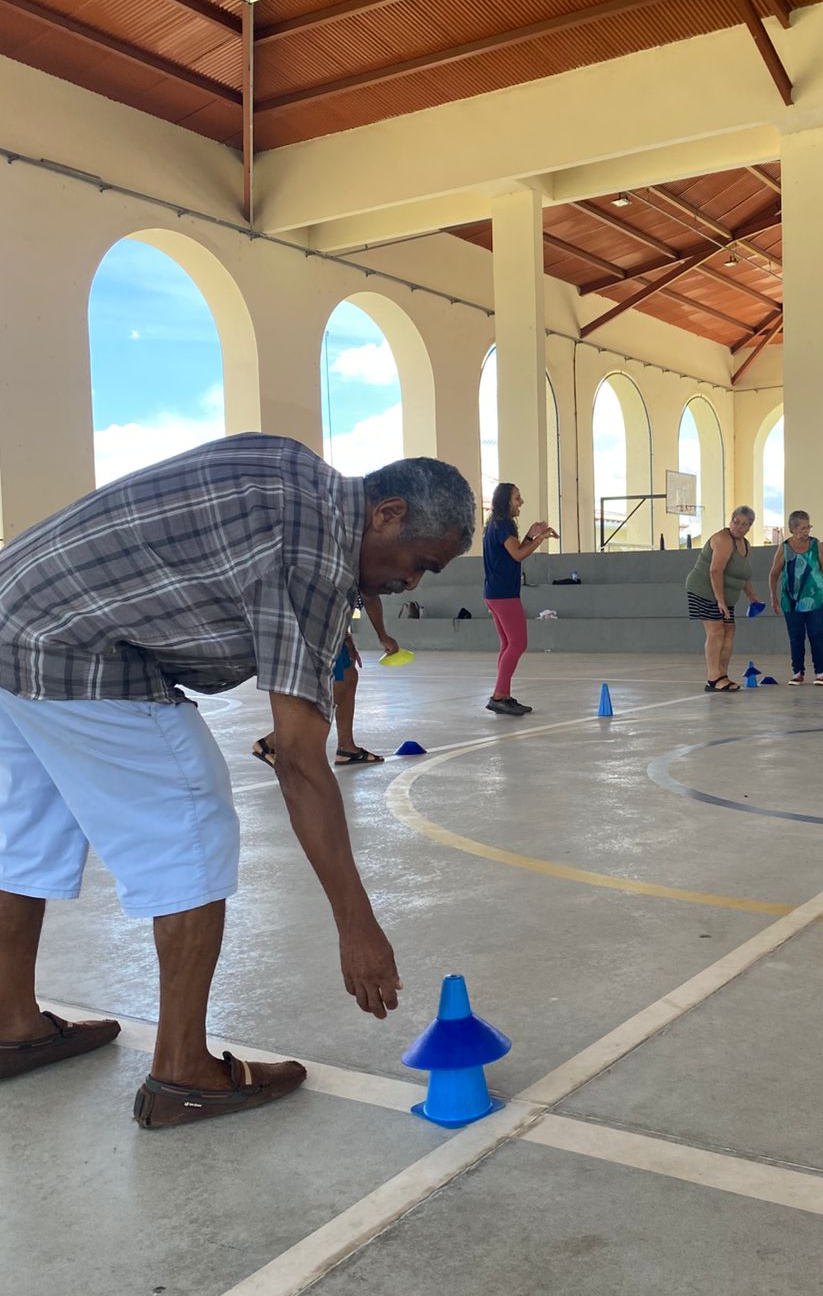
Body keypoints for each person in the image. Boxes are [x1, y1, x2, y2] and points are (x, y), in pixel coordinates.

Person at [0, 435, 474, 1125]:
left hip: (12, 620)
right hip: (76, 650)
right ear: (387, 513)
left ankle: (12, 1024)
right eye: (421, 563)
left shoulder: (293, 470)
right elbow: (299, 759)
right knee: (191, 824)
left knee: (26, 832)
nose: (412, 584)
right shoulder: (316, 553)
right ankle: (183, 1073)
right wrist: (357, 926)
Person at [252, 595, 398, 770]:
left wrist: (346, 637)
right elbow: (369, 596)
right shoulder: (362, 577)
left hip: (327, 625)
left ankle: (347, 748)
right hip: (317, 626)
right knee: (332, 690)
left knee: (348, 678)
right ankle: (272, 742)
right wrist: (383, 635)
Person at [482, 482, 558, 717]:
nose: (521, 502)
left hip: (494, 593)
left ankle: (503, 695)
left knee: (507, 645)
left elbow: (512, 552)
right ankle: (498, 696)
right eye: (517, 498)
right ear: (506, 501)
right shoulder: (504, 524)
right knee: (518, 644)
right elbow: (518, 554)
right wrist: (540, 539)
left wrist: (530, 535)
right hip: (504, 594)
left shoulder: (496, 524)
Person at [685, 505, 762, 691]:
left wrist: (751, 594)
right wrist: (720, 601)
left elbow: (741, 574)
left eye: (744, 524)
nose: (739, 527)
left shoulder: (745, 545)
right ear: (731, 521)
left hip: (724, 595)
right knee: (716, 630)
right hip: (704, 590)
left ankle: (722, 675)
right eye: (736, 522)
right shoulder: (722, 539)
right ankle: (713, 679)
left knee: (729, 630)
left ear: (749, 527)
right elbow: (715, 571)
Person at [769, 510, 823, 686]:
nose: (807, 531)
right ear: (793, 529)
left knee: (816, 635)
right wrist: (773, 597)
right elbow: (773, 574)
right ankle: (797, 672)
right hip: (791, 601)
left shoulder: (815, 544)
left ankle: (820, 672)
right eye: (803, 528)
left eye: (808, 527)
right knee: (796, 637)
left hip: (815, 599)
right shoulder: (784, 548)